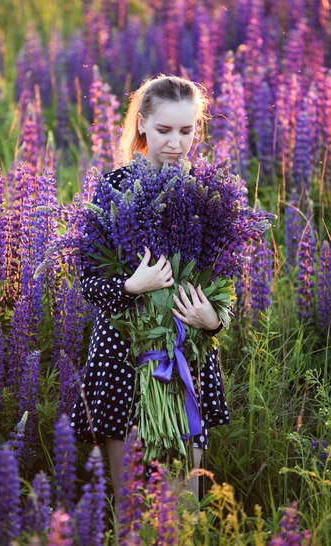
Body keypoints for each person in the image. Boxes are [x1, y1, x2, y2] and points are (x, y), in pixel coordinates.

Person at [70, 74, 229, 512]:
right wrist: (130, 286)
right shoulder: (113, 189)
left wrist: (213, 320)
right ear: (141, 125)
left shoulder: (208, 193)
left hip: (187, 360)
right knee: (131, 508)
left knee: (184, 510)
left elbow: (224, 287)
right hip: (122, 360)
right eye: (163, 130)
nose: (176, 143)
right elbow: (87, 281)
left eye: (186, 130)